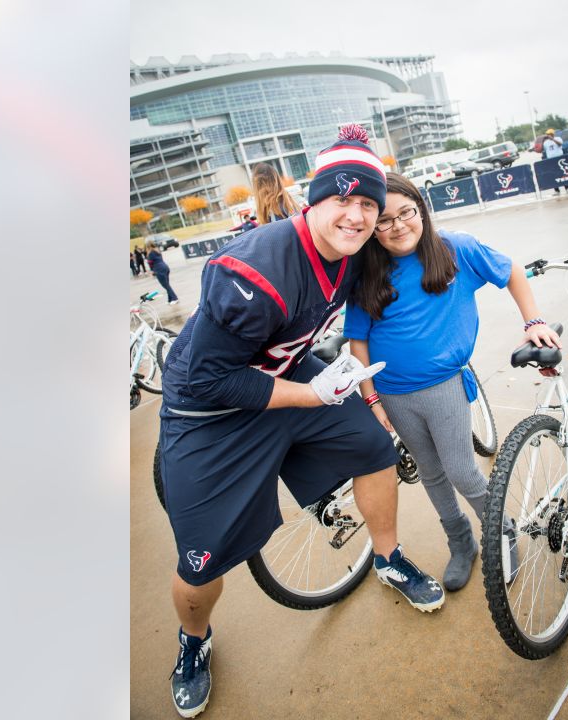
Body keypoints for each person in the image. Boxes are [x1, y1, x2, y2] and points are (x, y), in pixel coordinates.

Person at [156, 125, 444, 718]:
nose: (358, 215)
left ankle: (387, 559)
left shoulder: (357, 248)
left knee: (374, 448)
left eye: (367, 202)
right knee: (200, 561)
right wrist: (310, 395)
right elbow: (210, 378)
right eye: (343, 199)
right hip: (209, 413)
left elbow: (417, 239)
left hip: (287, 373)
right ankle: (194, 640)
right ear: (313, 201)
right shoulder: (252, 269)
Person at [344, 172, 562, 592]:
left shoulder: (454, 249)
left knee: (462, 470)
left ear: (421, 211)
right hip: (392, 393)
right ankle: (460, 541)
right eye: (384, 221)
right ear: (372, 230)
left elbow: (512, 270)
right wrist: (370, 397)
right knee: (430, 472)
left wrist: (532, 319)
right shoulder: (367, 273)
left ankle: (501, 529)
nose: (398, 226)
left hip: (442, 385)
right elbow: (358, 339)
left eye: (406, 213)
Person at [147, 240, 180, 305]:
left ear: (148, 246)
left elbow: (150, 263)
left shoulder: (150, 253)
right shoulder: (157, 250)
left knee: (166, 286)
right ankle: (170, 299)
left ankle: (175, 298)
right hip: (165, 267)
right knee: (167, 284)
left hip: (159, 269)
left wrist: (152, 271)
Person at [541, 128, 568, 194]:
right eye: (547, 134)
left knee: (562, 173)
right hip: (551, 160)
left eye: (549, 134)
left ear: (552, 134)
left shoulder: (558, 138)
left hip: (559, 158)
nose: (548, 135)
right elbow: (544, 150)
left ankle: (567, 188)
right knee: (553, 174)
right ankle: (557, 190)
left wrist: (553, 139)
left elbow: (560, 144)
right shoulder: (545, 142)